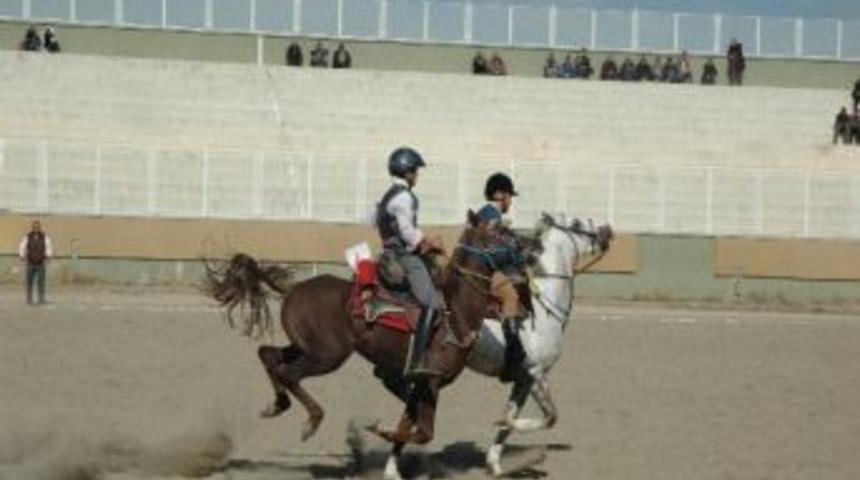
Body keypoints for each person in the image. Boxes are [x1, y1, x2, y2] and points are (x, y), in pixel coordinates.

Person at [376, 147, 444, 380]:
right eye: (415, 171)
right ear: (407, 172)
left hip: (389, 251)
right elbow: (406, 230)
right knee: (433, 303)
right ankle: (418, 360)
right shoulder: (404, 197)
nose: (417, 176)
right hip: (404, 257)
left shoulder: (388, 195)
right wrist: (427, 242)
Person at [475, 173, 529, 381]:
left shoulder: (483, 213)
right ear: (499, 194)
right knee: (512, 296)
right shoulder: (492, 216)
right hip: (484, 270)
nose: (510, 201)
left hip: (478, 266)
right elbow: (495, 251)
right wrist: (516, 254)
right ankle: (513, 356)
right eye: (509, 196)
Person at [19, 220, 52, 305]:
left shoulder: (44, 236)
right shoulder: (28, 236)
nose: (36, 228)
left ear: (40, 227)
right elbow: (22, 245)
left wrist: (48, 256)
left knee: (41, 282)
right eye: (34, 227)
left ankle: (41, 298)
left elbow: (48, 246)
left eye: (37, 227)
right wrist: (22, 255)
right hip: (30, 262)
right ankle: (29, 299)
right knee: (29, 281)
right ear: (32, 227)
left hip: (41, 262)